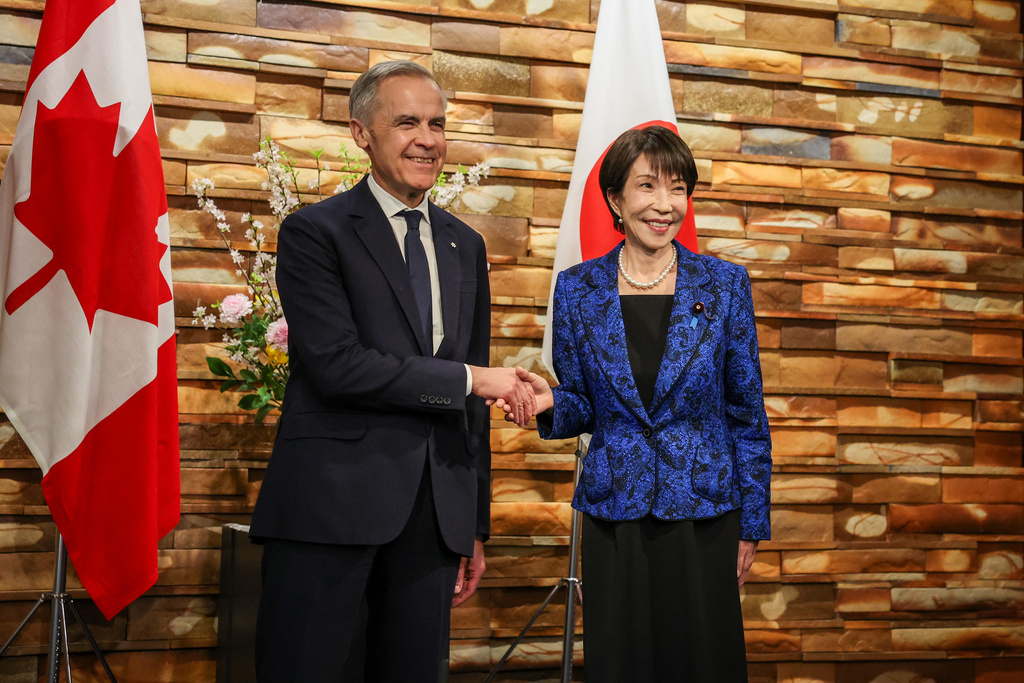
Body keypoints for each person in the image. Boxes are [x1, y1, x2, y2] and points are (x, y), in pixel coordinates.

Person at [249, 60, 536, 682]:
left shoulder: (467, 244)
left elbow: (472, 408)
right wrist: (470, 379)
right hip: (329, 509)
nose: (427, 140)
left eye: (436, 124)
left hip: (434, 522)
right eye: (407, 122)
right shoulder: (313, 233)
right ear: (361, 133)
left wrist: (473, 524)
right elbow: (336, 366)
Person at [511, 126, 772, 681]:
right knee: (622, 662)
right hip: (616, 514)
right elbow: (583, 402)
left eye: (678, 189)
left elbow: (746, 415)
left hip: (705, 514)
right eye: (647, 186)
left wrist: (751, 523)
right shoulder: (579, 289)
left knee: (704, 662)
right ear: (615, 199)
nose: (664, 204)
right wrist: (549, 402)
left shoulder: (724, 285)